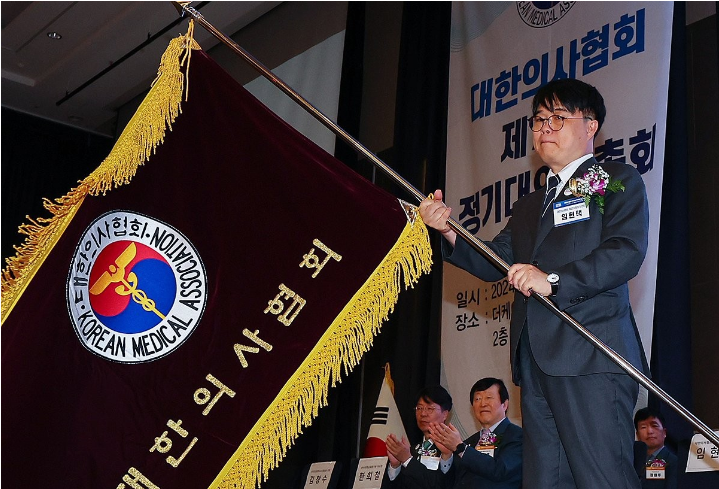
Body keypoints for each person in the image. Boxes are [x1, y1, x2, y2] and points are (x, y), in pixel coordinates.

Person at [419, 78, 649, 489]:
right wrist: (449, 230)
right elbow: (496, 259)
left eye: (557, 118)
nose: (544, 128)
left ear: (590, 125)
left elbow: (625, 251)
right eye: (539, 120)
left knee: (602, 479)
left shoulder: (612, 179)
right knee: (545, 481)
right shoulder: (530, 204)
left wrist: (553, 281)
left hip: (590, 355)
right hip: (535, 363)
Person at [428, 377, 522, 488]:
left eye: (489, 398)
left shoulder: (517, 435)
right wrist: (447, 455)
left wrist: (460, 448)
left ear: (505, 405)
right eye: (477, 399)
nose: (483, 404)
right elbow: (451, 483)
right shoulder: (469, 442)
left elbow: (500, 470)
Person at [384, 385, 453, 488]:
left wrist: (407, 460)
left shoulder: (452, 451)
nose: (423, 413)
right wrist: (395, 466)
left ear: (445, 414)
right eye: (419, 408)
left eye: (430, 408)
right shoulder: (410, 450)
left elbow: (440, 485)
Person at [634, 407, 678, 488]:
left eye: (654, 426)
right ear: (637, 435)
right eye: (643, 427)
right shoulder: (632, 460)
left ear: (664, 433)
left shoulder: (674, 463)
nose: (649, 431)